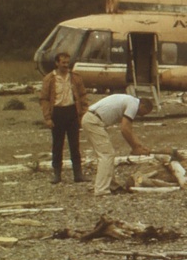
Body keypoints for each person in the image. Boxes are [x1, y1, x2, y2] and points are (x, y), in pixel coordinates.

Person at [82, 94, 155, 196]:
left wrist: (139, 146)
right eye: (144, 113)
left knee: (107, 153)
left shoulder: (129, 100)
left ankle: (112, 185)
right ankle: (101, 189)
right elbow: (125, 129)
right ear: (143, 106)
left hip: (93, 119)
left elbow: (129, 129)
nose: (141, 115)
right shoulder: (133, 104)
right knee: (107, 154)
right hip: (93, 121)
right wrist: (135, 147)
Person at [39, 52, 90, 184]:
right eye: (63, 62)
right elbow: (44, 99)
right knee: (57, 145)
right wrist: (47, 118)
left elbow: (83, 95)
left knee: (75, 145)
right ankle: (57, 174)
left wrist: (84, 112)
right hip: (57, 112)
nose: (66, 65)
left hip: (72, 111)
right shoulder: (49, 79)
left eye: (67, 62)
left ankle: (78, 174)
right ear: (57, 63)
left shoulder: (75, 78)